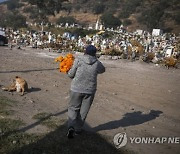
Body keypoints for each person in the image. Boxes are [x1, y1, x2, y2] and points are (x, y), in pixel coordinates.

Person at [67, 45, 105, 139]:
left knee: (73, 108)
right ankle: (78, 129)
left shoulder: (79, 59)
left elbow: (71, 74)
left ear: (85, 51)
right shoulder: (97, 63)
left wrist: (68, 72)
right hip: (89, 90)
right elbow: (103, 70)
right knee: (84, 110)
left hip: (76, 88)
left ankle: (71, 126)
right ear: (94, 53)